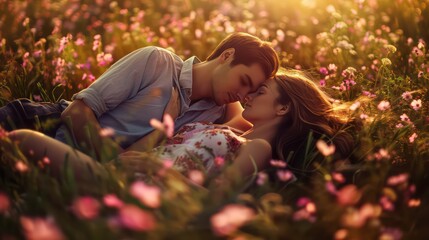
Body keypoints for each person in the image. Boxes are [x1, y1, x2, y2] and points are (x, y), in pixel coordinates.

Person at [4, 70, 354, 189]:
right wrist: (165, 126)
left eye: (260, 91)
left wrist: (161, 173)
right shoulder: (237, 129)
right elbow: (134, 159)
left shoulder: (258, 149)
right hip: (118, 174)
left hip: (137, 191)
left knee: (19, 141)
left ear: (282, 107)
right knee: (17, 148)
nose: (249, 95)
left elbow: (216, 202)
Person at [0, 32, 280, 161]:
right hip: (39, 124)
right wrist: (117, 162)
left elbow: (251, 124)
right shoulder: (156, 62)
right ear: (227, 55)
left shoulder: (216, 111)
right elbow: (75, 113)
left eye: (250, 91)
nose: (243, 96)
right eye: (244, 82)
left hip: (67, 166)